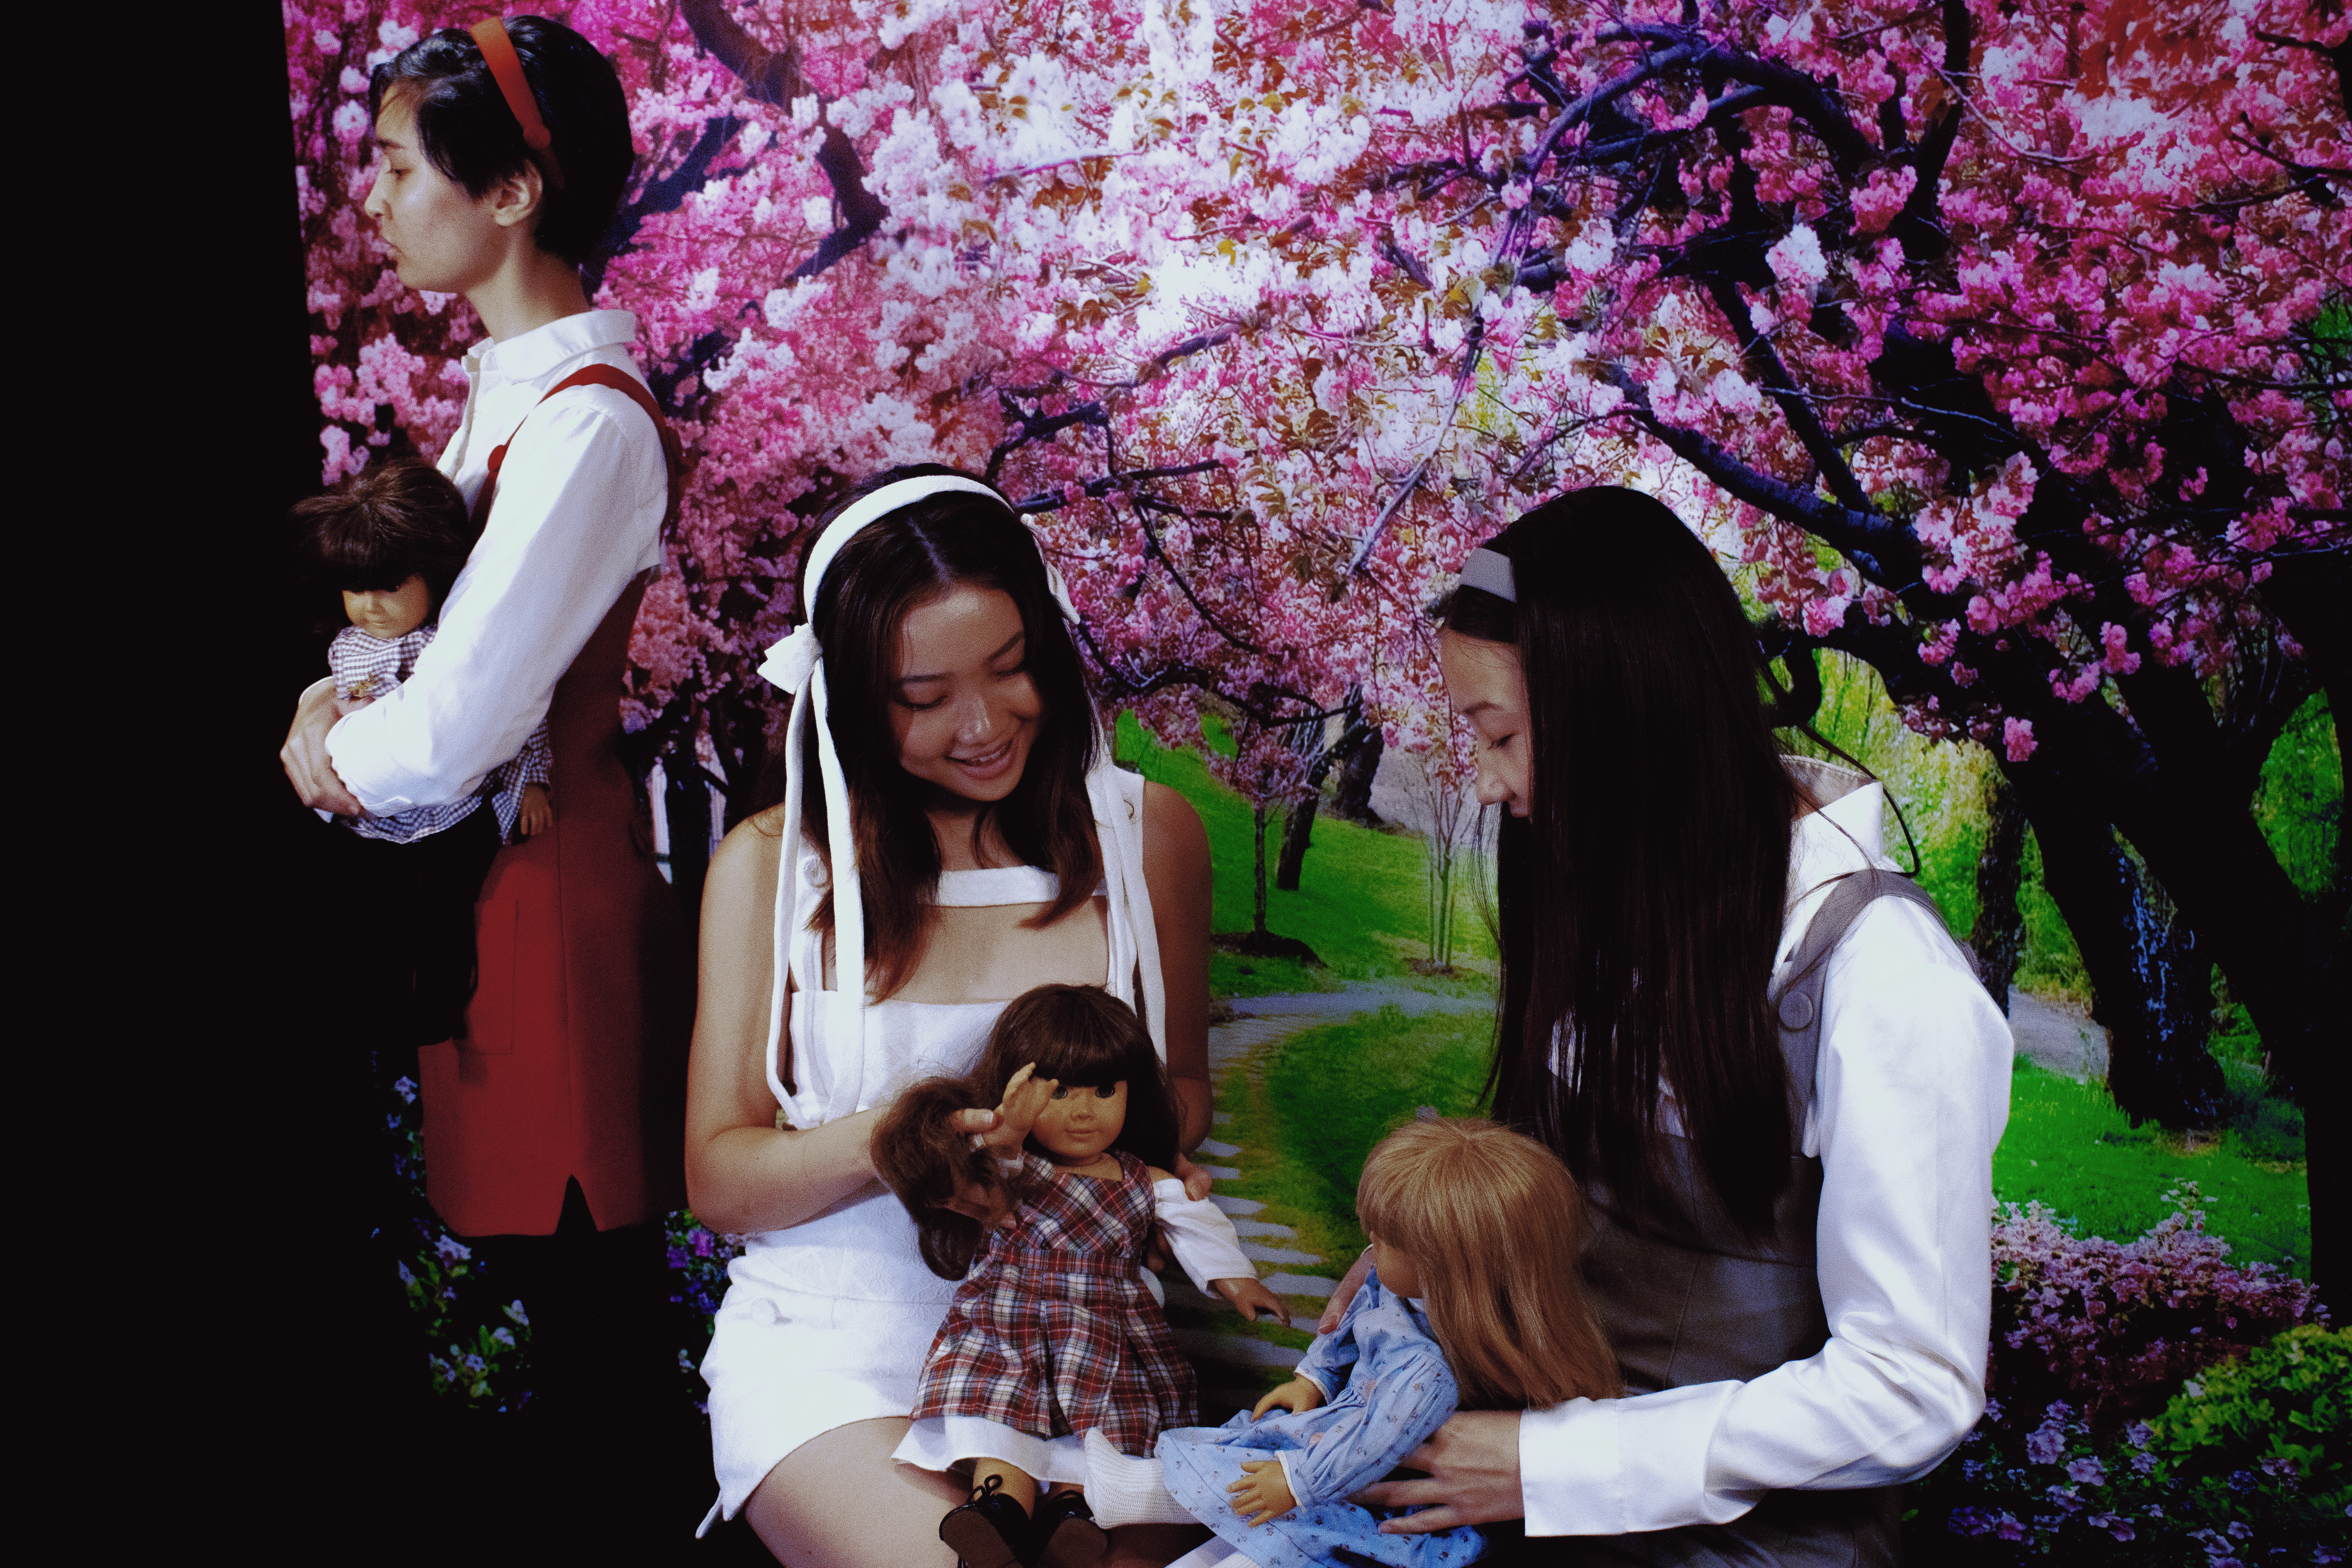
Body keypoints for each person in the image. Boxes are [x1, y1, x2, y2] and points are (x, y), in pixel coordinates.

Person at [1329, 488, 2011, 1564]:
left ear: (1626, 713)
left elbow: (1911, 1387)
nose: (1494, 786)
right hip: (1536, 1487)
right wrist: (1423, 1249)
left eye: (1500, 735)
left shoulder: (1881, 975)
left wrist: (1549, 1466)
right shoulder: (1618, 903)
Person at [276, 15, 691, 1439]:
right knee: (561, 1321)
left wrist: (330, 759)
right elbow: (415, 663)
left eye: (397, 168)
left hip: (546, 908)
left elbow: (451, 730)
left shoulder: (586, 425)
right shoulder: (510, 396)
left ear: (510, 190)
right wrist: (329, 700)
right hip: (488, 900)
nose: (372, 200)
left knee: (593, 1321)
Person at [685, 467, 1219, 1567]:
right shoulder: (773, 869)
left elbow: (1183, 1093)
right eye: (923, 699)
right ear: (852, 702)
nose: (981, 727)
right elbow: (720, 1177)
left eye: (1012, 669)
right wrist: (898, 1139)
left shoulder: (1147, 836)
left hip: (1081, 1350)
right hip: (833, 1351)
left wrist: (1089, 1149)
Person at [872, 983, 1286, 1568]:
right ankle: (997, 1512)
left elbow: (1197, 1223)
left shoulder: (1144, 1180)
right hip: (1010, 1322)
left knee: (1100, 1428)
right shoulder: (1017, 1171)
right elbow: (997, 1160)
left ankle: (1076, 1515)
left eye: (1104, 1090)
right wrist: (1008, 1130)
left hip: (1107, 1330)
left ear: (1131, 1091)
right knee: (1000, 1410)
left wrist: (1236, 1281)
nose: (1084, 1109)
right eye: (1060, 1092)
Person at [1085, 1115, 1620, 1568]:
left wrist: (1298, 1482)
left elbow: (1371, 1450)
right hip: (1333, 1438)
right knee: (1253, 1475)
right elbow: (1345, 1330)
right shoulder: (1392, 1289)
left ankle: (1141, 1491)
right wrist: (1311, 1377)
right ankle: (1143, 1491)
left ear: (1444, 1269)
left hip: (1360, 1489)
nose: (1369, 1245)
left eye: (1385, 1240)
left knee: (1276, 1523)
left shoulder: (1428, 1374)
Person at [297, 456, 553, 1050]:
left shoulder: (456, 646)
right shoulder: (347, 652)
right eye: (355, 589)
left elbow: (518, 715)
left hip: (455, 813)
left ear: (434, 576)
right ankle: (382, 1015)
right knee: (379, 924)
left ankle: (439, 1008)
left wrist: (531, 783)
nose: (371, 606)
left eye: (390, 588)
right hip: (378, 821)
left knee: (447, 917)